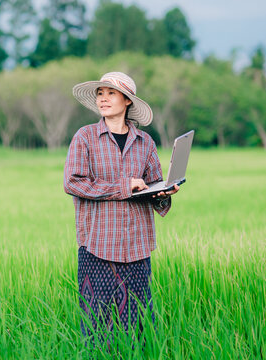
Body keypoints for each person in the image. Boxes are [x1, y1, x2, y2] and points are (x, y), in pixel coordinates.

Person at [63, 72, 179, 347]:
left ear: (127, 100)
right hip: (97, 246)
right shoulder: (85, 137)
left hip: (138, 248)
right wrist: (124, 187)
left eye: (110, 93)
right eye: (100, 94)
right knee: (96, 326)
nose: (103, 99)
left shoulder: (145, 142)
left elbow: (151, 187)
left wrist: (163, 193)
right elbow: (73, 183)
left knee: (138, 325)